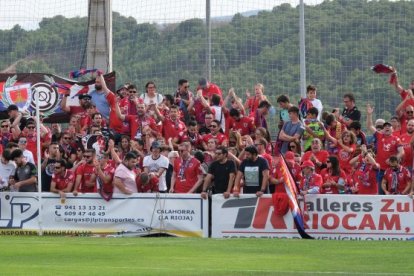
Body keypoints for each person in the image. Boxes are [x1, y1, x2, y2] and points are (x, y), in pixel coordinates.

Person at [366, 104, 404, 194]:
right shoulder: (379, 135)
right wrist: (369, 114)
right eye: (385, 126)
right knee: (381, 193)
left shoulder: (396, 139)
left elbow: (402, 152)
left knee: (393, 192)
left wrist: (393, 159)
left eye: (389, 126)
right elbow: (369, 126)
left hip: (392, 169)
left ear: (392, 129)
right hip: (381, 170)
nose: (387, 127)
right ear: (383, 129)